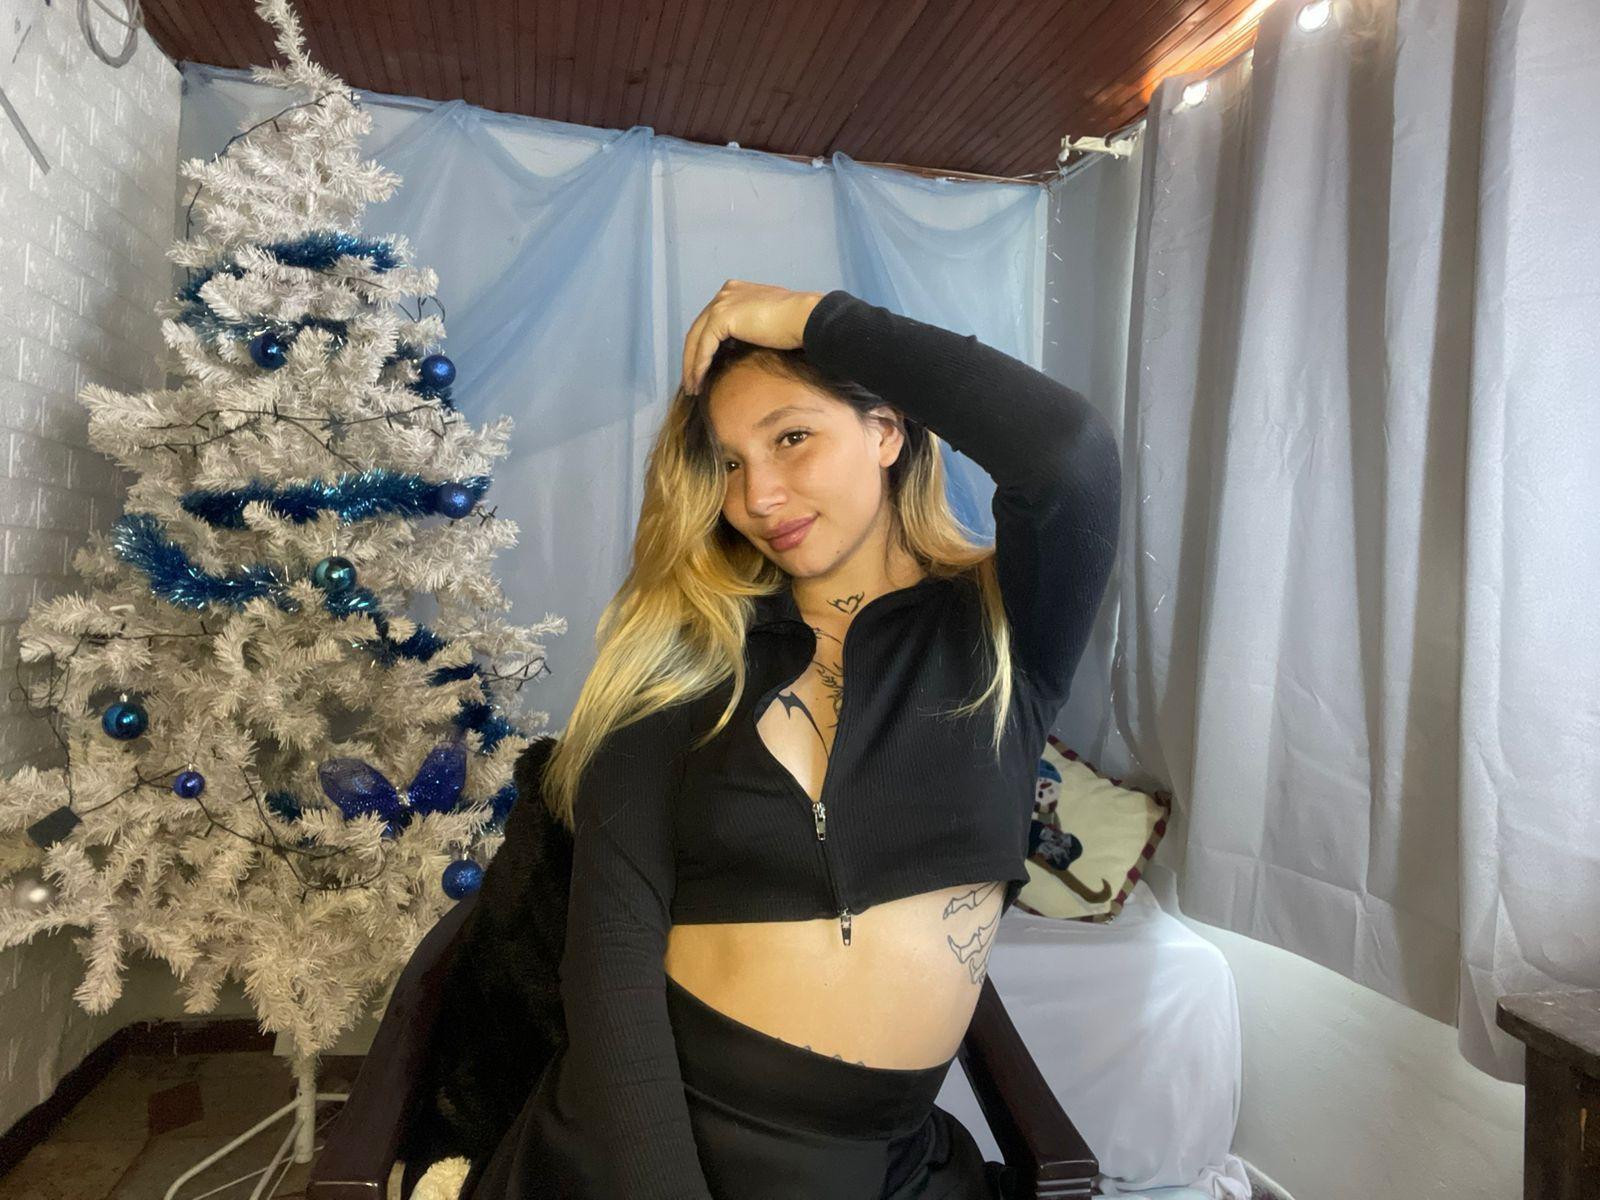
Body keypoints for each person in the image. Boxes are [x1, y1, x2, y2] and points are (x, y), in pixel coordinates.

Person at [461, 281, 1122, 1200]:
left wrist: (813, 320)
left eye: (792, 437)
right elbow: (610, 969)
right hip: (650, 1152)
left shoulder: (1002, 632)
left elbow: (1070, 455)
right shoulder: (680, 663)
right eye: (729, 463)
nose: (759, 496)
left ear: (886, 431)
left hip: (893, 1164)